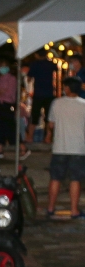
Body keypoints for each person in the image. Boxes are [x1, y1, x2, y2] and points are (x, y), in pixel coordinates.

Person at [46, 77, 85, 219]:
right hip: (79, 148)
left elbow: (51, 124)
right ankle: (74, 210)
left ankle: (50, 208)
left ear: (67, 88)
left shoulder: (57, 103)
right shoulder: (83, 105)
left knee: (55, 178)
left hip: (59, 147)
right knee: (75, 179)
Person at [0, 59, 31, 161]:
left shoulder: (12, 79)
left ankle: (23, 148)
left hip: (8, 105)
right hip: (0, 104)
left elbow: (9, 93)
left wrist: (0, 92)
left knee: (10, 127)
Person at [26, 50, 58, 144]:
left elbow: (28, 79)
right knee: (49, 117)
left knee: (34, 116)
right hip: (50, 93)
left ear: (36, 54)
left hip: (38, 94)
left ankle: (30, 137)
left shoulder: (34, 65)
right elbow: (56, 72)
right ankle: (48, 137)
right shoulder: (51, 64)